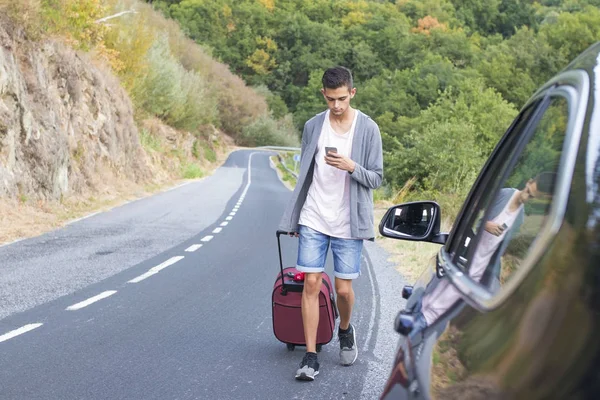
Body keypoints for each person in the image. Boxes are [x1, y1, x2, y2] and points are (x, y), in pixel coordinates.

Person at [279, 66, 383, 381]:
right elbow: (304, 176)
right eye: (330, 99)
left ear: (352, 93)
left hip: (348, 221)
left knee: (344, 289)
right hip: (314, 216)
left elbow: (377, 178)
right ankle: (310, 356)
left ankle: (345, 329)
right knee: (310, 284)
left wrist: (352, 167)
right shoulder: (313, 126)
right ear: (323, 94)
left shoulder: (368, 129)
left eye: (342, 99)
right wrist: (296, 216)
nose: (336, 106)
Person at [409, 172, 556, 338]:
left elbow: (505, 249)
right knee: (451, 293)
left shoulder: (520, 217)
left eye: (532, 197)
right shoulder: (504, 194)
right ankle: (422, 319)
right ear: (529, 181)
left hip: (487, 267)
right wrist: (487, 225)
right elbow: (471, 216)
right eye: (527, 191)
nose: (526, 197)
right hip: (467, 255)